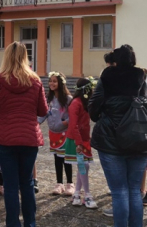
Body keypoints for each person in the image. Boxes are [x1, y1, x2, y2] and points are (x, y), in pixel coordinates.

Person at [0, 41, 48, 227]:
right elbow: (43, 110)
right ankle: (30, 223)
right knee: (26, 183)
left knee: (11, 185)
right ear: (25, 56)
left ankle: (13, 223)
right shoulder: (35, 80)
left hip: (4, 137)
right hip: (29, 136)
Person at [88, 45, 147, 227]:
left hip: (110, 137)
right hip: (137, 137)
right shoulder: (140, 76)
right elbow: (146, 104)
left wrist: (97, 116)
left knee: (119, 191)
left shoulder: (108, 75)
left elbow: (95, 102)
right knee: (133, 190)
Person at [38, 71, 74, 196]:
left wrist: (65, 123)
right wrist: (35, 122)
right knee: (57, 159)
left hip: (64, 133)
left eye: (54, 81)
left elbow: (74, 116)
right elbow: (44, 113)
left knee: (66, 158)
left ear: (61, 83)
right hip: (53, 133)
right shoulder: (49, 98)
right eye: (50, 81)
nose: (52, 83)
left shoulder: (68, 99)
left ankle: (70, 183)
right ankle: (59, 183)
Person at [65, 77, 97, 209]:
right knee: (83, 165)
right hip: (76, 140)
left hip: (84, 139)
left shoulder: (84, 103)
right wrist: (78, 143)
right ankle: (87, 195)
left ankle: (77, 194)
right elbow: (73, 125)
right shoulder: (76, 103)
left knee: (83, 166)